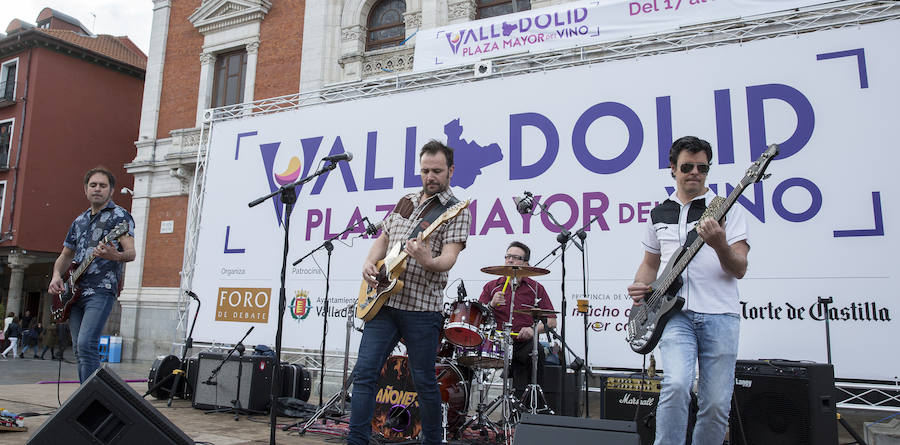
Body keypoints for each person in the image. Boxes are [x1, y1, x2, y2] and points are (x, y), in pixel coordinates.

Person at [627, 136, 750, 445]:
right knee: (677, 384)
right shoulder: (658, 213)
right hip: (674, 314)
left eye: (702, 167)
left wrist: (719, 243)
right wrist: (641, 287)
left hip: (720, 314)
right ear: (673, 168)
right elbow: (650, 264)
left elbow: (739, 267)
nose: (695, 172)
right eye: (687, 166)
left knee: (716, 403)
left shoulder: (726, 208)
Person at [349, 140, 470, 445]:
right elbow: (384, 238)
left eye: (437, 171)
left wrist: (428, 259)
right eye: (426, 170)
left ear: (451, 171)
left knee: (424, 382)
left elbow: (448, 259)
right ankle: (356, 441)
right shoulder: (405, 200)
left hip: (422, 309)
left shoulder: (455, 211)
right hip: (384, 303)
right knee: (364, 375)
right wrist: (368, 262)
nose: (430, 176)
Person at [48, 167, 135, 383]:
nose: (97, 189)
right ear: (85, 189)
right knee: (79, 349)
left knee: (87, 344)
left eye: (103, 185)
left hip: (101, 290)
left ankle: (93, 401)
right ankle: (86, 398)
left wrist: (114, 255)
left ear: (111, 190)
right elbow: (65, 255)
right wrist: (56, 276)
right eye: (93, 185)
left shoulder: (120, 216)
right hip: (74, 292)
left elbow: (131, 253)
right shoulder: (79, 221)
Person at [478, 241, 557, 396]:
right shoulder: (492, 286)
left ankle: (531, 404)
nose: (510, 260)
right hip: (497, 342)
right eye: (507, 256)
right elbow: (479, 317)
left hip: (522, 343)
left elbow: (552, 322)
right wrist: (492, 304)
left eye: (515, 257)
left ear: (525, 263)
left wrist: (533, 330)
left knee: (537, 351)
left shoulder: (535, 288)